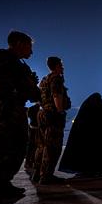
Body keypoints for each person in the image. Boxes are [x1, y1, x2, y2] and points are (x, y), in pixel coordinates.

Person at [0, 30, 40, 204]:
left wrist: (34, 91)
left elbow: (31, 90)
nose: (31, 51)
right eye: (29, 46)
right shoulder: (0, 56)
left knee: (18, 148)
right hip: (3, 107)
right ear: (19, 44)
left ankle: (4, 183)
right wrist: (12, 85)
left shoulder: (22, 66)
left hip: (17, 109)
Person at [33, 56, 71, 185]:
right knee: (52, 147)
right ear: (56, 66)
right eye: (61, 65)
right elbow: (56, 95)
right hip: (53, 115)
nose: (63, 67)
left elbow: (39, 98)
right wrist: (60, 111)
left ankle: (37, 174)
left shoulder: (44, 80)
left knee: (42, 145)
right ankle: (46, 176)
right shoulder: (56, 78)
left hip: (43, 113)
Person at [59, 92, 102, 176]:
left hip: (84, 138)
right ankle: (95, 169)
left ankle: (84, 169)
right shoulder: (101, 107)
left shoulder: (85, 110)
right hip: (97, 138)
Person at [24, 103, 40, 176]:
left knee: (31, 145)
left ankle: (29, 162)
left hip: (33, 128)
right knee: (33, 145)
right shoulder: (37, 108)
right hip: (35, 128)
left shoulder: (32, 108)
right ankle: (30, 162)